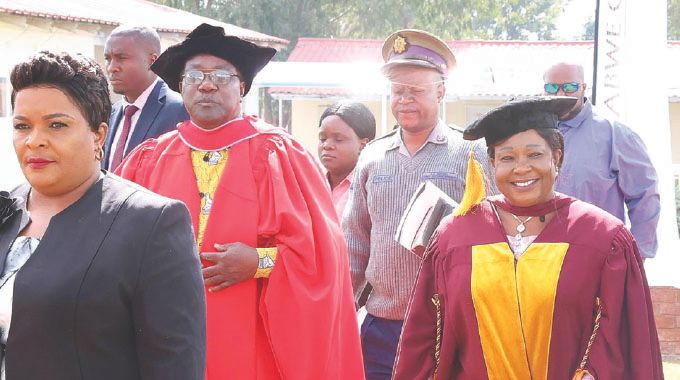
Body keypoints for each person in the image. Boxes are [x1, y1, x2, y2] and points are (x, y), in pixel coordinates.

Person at [116, 24, 364, 379]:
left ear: (243, 86)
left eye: (222, 75)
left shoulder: (280, 154)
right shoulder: (148, 159)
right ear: (180, 85)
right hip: (165, 333)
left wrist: (259, 262)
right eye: (195, 75)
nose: (207, 84)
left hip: (254, 338)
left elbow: (322, 259)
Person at [392, 97, 663, 380]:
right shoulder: (455, 236)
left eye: (535, 155)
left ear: (557, 157)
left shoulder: (603, 238)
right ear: (493, 162)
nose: (521, 168)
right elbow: (422, 340)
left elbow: (625, 340)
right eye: (507, 157)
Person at [0, 51, 205, 379]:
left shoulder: (149, 224)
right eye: (22, 126)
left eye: (56, 125)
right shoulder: (5, 211)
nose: (34, 141)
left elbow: (175, 366)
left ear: (98, 134)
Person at [342, 29, 491, 380]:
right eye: (398, 91)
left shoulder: (471, 153)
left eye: (416, 91)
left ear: (441, 91)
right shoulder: (373, 157)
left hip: (448, 323)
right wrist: (344, 304)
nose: (405, 100)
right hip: (381, 326)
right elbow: (354, 239)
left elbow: (493, 235)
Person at [543, 62, 660, 259]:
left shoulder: (615, 133)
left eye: (570, 87)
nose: (561, 94)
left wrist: (636, 255)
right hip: (542, 259)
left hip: (598, 258)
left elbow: (645, 195)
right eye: (552, 87)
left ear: (584, 88)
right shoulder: (535, 134)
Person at [103, 25, 189, 171]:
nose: (112, 67)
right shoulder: (112, 112)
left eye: (121, 58)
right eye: (108, 59)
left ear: (152, 61)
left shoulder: (180, 110)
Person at [318, 100, 376, 219]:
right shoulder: (311, 185)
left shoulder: (373, 188)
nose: (327, 145)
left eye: (338, 139)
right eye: (323, 139)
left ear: (363, 145)